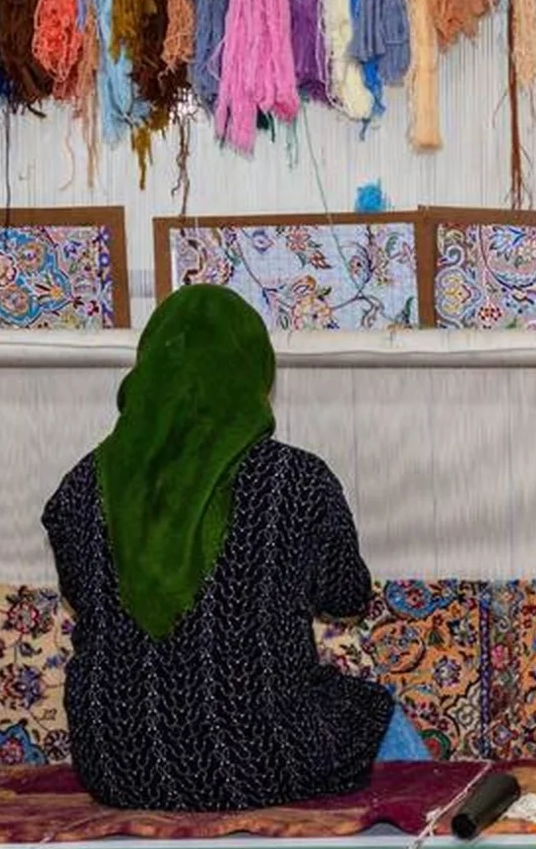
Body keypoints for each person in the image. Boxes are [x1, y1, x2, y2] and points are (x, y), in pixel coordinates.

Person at [43, 285, 426, 811]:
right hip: (264, 757)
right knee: (370, 709)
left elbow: (84, 593)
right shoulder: (298, 481)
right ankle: (436, 839)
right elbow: (346, 595)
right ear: (251, 375)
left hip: (116, 763)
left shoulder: (79, 490)